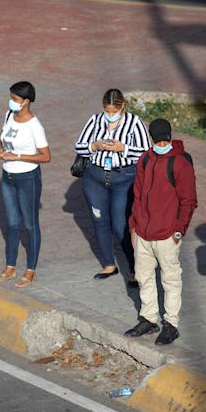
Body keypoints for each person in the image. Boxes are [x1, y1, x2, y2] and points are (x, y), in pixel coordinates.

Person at [124, 119, 197, 345]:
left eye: (164, 139)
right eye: (158, 140)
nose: (161, 143)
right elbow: (137, 197)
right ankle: (148, 318)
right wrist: (134, 227)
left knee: (170, 280)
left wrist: (178, 230)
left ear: (169, 136)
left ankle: (171, 324)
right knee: (144, 277)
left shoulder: (180, 163)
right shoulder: (145, 159)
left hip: (167, 235)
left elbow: (189, 201)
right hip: (143, 233)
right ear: (152, 138)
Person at [74, 89, 150, 282]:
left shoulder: (134, 123)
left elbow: (144, 153)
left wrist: (122, 148)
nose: (109, 115)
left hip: (123, 178)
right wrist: (95, 146)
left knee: (120, 224)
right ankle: (109, 264)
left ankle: (135, 268)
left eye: (113, 111)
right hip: (95, 176)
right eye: (107, 111)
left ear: (122, 106)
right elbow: (79, 146)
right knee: (99, 220)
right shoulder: (95, 120)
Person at [0, 82, 51, 288]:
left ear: (26, 101)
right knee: (12, 223)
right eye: (11, 98)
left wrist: (18, 156)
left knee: (30, 224)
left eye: (15, 99)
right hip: (7, 177)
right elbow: (0, 138)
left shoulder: (35, 126)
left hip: (28, 179)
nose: (12, 102)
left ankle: (30, 270)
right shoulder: (9, 115)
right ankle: (10, 267)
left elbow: (46, 156)